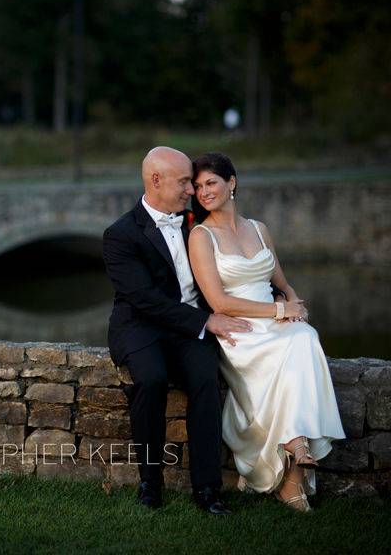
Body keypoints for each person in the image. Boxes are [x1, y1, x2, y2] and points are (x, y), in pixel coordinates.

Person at [187, 152, 346, 512]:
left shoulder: (259, 229)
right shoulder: (201, 236)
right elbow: (219, 301)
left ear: (232, 182)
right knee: (291, 349)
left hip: (274, 320)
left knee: (305, 336)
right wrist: (279, 308)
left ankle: (294, 464)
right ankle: (296, 455)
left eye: (211, 182)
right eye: (198, 187)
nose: (204, 191)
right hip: (238, 329)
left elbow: (283, 283)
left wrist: (294, 305)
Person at [101, 146, 255, 515]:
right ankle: (149, 482)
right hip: (142, 327)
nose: (192, 190)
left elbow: (240, 254)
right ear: (156, 180)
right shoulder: (120, 234)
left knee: (205, 379)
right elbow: (146, 300)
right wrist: (206, 322)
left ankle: (207, 490)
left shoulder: (194, 220)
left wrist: (270, 293)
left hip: (188, 328)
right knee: (151, 380)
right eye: (185, 182)